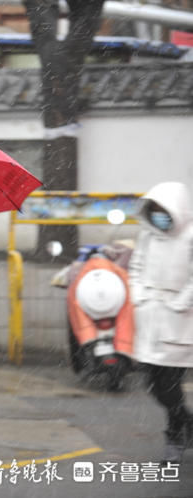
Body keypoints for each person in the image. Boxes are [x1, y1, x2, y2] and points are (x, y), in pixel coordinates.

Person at [128, 181, 193, 464]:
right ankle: (186, 428)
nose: (158, 215)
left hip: (179, 320)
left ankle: (176, 438)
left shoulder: (190, 237)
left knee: (168, 385)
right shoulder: (148, 236)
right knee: (154, 385)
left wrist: (182, 301)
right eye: (153, 210)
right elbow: (136, 267)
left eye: (163, 209)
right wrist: (139, 295)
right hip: (150, 318)